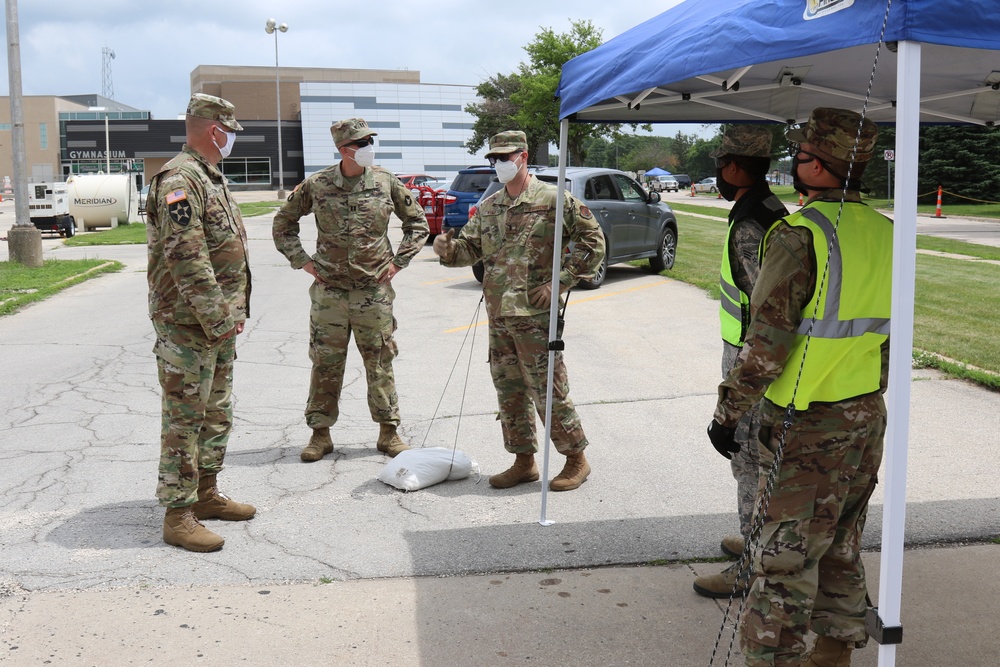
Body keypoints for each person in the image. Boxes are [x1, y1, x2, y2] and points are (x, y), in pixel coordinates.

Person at [708, 108, 892, 666]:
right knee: (840, 541)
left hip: (804, 422)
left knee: (782, 562)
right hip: (864, 416)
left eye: (803, 155)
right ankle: (834, 650)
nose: (794, 163)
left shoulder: (799, 235)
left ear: (822, 166)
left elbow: (765, 348)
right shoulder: (884, 230)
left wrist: (726, 414)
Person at [432, 130, 605, 491]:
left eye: (504, 157)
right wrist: (447, 250)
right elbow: (470, 250)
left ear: (523, 156)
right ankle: (523, 461)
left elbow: (593, 241)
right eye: (493, 158)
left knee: (548, 391)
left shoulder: (553, 199)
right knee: (508, 390)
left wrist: (560, 280)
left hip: (536, 316)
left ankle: (576, 459)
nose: (498, 164)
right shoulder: (492, 205)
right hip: (499, 315)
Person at [272, 117, 429, 462]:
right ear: (344, 149)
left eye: (370, 141)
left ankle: (389, 432)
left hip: (373, 291)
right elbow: (283, 225)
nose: (368, 149)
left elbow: (417, 223)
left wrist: (399, 262)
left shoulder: (386, 183)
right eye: (362, 143)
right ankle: (320, 434)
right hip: (330, 293)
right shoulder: (317, 184)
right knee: (325, 363)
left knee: (381, 362)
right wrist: (304, 262)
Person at [146, 93, 255, 553]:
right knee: (185, 419)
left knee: (216, 412)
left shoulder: (211, 177)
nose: (232, 139)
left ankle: (206, 494)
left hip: (216, 323)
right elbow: (186, 258)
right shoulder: (180, 179)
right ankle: (178, 514)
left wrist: (231, 315)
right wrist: (219, 317)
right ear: (216, 130)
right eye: (230, 131)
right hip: (189, 324)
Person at [694, 126, 789, 599]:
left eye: (719, 166)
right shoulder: (768, 209)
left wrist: (739, 388)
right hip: (753, 355)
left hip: (751, 360)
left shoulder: (752, 221)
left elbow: (765, 309)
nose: (718, 175)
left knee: (748, 456)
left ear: (733, 166)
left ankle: (753, 563)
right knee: (753, 458)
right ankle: (754, 538)